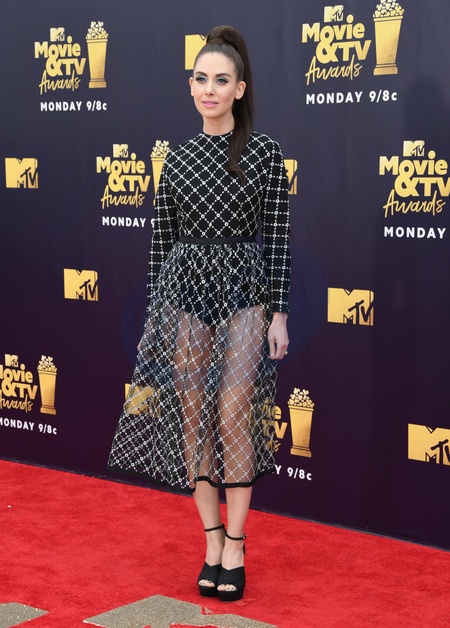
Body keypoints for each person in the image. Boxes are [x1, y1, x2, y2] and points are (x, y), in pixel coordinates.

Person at [108, 25, 290, 602]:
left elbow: (278, 239)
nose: (209, 89)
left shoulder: (264, 153)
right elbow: (161, 243)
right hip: (184, 294)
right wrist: (156, 316)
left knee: (233, 412)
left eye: (221, 80)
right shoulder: (178, 159)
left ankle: (237, 544)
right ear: (190, 86)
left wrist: (280, 313)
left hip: (244, 293)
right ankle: (211, 541)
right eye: (200, 79)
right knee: (192, 415)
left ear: (240, 89)